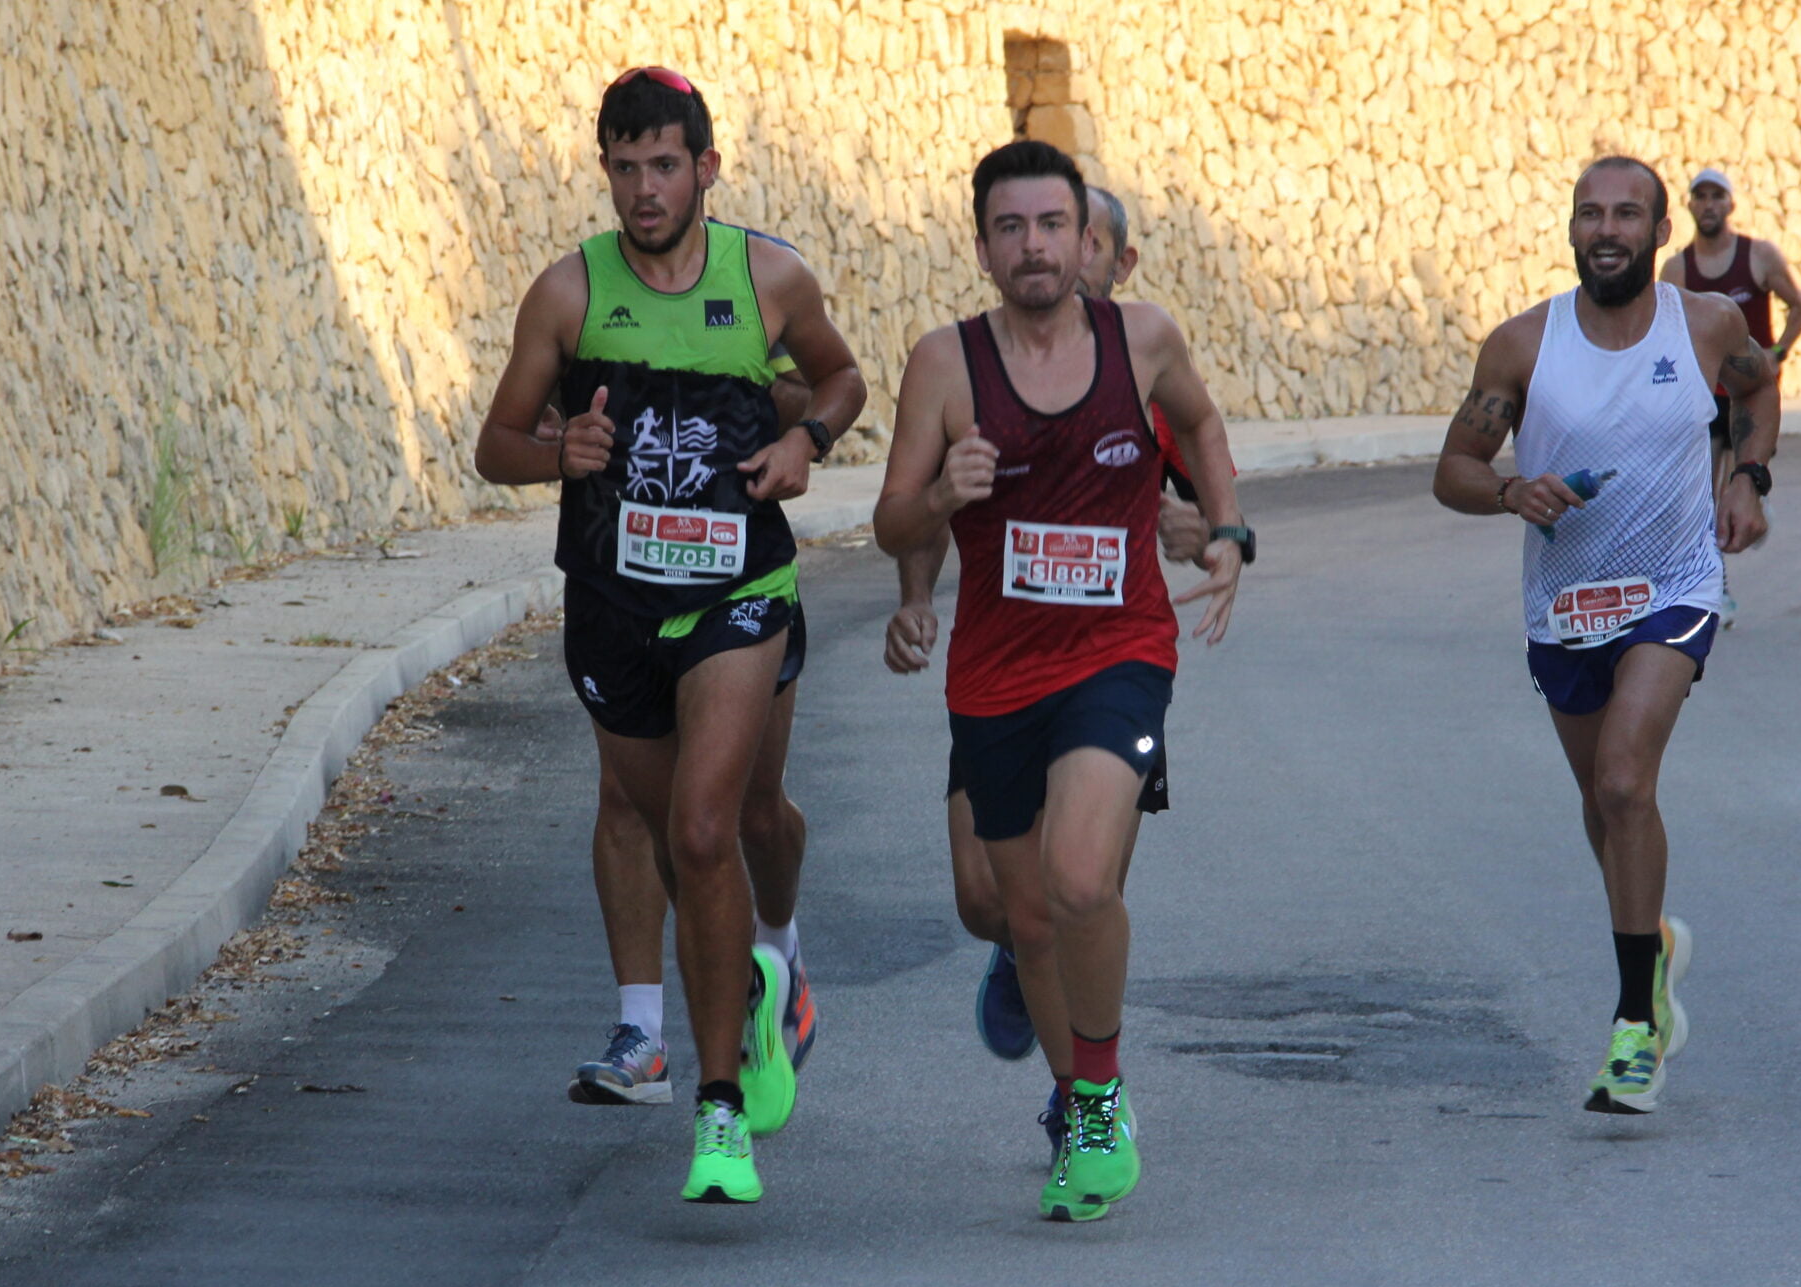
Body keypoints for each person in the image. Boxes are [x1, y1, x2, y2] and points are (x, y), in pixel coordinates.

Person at [475, 66, 866, 1204]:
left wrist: (811, 445)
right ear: (604, 171)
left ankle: (719, 1108)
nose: (642, 190)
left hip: (738, 587)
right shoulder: (567, 295)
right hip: (611, 600)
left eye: (663, 166)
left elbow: (839, 379)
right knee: (655, 821)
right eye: (622, 167)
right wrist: (559, 458)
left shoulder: (767, 276)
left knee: (708, 829)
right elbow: (494, 443)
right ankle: (740, 980)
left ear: (705, 167)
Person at [876, 142, 1249, 1220]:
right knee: (1017, 913)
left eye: (1053, 225)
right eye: (1011, 228)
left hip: (1118, 653)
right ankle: (1078, 1084)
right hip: (994, 675)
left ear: (1088, 239)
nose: (1033, 247)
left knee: (1080, 880)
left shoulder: (1142, 340)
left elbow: (1208, 426)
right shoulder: (944, 366)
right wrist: (941, 493)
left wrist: (1224, 529)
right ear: (981, 245)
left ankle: (1094, 1098)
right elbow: (892, 521)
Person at [1432, 156, 1779, 1115]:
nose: (1608, 229)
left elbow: (1758, 390)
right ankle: (1653, 941)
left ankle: (1634, 1027)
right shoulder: (1521, 346)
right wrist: (1508, 489)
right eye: (1592, 213)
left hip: (1675, 586)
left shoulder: (1706, 326)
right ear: (1572, 229)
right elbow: (1453, 466)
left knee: (1627, 779)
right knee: (1602, 803)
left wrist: (1749, 476)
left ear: (1661, 231)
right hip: (1566, 607)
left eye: (1629, 213)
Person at [558, 361, 816, 1109]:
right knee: (643, 805)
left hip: (739, 579)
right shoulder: (596, 290)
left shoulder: (756, 273)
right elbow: (532, 413)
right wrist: (563, 432)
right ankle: (644, 1032)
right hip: (627, 587)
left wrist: (777, 413)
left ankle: (779, 953)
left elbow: (820, 388)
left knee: (753, 814)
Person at [1659, 167, 1801, 491]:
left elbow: (1799, 307)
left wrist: (1777, 352)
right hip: (1706, 390)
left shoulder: (1759, 256)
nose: (1708, 204)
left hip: (1751, 386)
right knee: (1701, 487)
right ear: (1690, 206)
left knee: (1738, 484)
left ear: (1731, 206)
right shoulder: (1676, 270)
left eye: (1717, 196)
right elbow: (1665, 334)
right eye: (1700, 197)